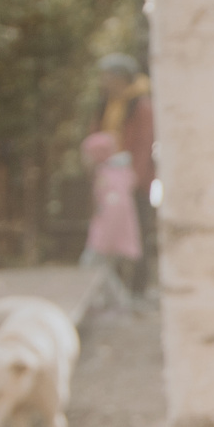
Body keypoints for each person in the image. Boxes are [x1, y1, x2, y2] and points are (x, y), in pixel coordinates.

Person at [93, 52, 155, 287]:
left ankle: (139, 286)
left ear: (121, 78)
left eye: (108, 76)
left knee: (137, 232)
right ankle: (114, 285)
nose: (104, 81)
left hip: (133, 180)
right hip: (108, 178)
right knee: (109, 232)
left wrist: (134, 179)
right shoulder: (105, 104)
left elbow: (144, 144)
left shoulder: (140, 106)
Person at [78, 129, 144, 310]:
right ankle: (119, 303)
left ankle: (116, 303)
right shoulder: (112, 173)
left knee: (90, 267)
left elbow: (115, 209)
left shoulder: (110, 176)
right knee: (102, 271)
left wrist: (104, 240)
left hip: (108, 235)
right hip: (109, 234)